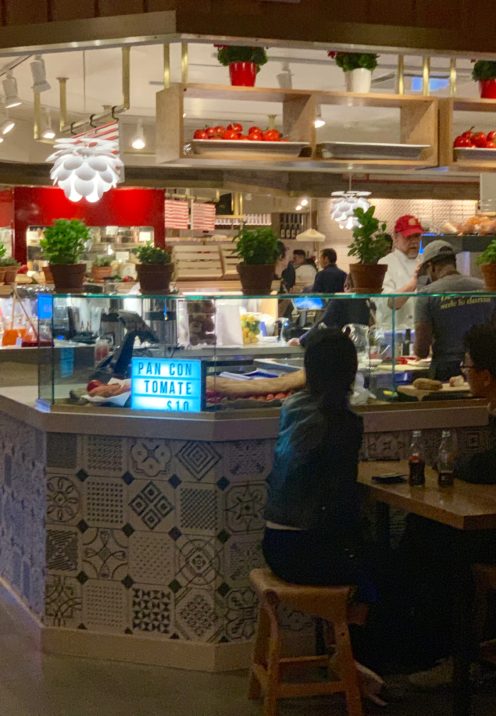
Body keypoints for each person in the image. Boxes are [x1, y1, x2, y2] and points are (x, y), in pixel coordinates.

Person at [414, 239, 496, 381]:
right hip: (485, 369)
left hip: (446, 370)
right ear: (454, 262)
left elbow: (422, 350)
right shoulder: (485, 287)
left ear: (431, 267)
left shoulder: (427, 294)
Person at [378, 214, 423, 328]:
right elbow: (391, 303)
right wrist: (412, 284)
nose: (414, 241)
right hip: (393, 332)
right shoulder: (385, 263)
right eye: (408, 237)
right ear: (396, 237)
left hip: (421, 332)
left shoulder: (426, 261)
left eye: (417, 236)